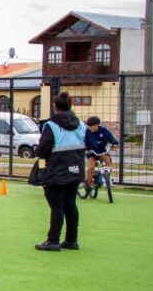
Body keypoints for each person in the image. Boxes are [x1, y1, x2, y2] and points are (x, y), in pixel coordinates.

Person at [34, 92, 86, 251]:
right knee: (70, 203)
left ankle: (53, 240)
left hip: (57, 169)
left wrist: (38, 150)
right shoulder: (81, 125)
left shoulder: (51, 126)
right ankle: (71, 240)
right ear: (70, 105)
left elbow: (44, 149)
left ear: (54, 106)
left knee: (57, 206)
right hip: (76, 168)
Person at [83, 116, 119, 194]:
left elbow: (111, 138)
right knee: (91, 167)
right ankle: (87, 184)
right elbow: (85, 142)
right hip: (91, 152)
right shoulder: (87, 132)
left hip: (101, 151)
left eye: (91, 126)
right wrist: (85, 149)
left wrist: (115, 144)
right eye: (89, 126)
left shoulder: (104, 130)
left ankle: (107, 178)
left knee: (107, 160)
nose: (90, 128)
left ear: (97, 125)